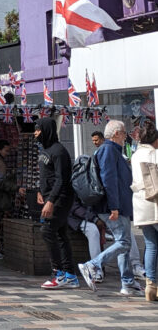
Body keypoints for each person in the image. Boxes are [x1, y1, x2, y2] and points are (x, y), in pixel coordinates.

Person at [78, 119, 142, 296]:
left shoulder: (113, 151)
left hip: (118, 206)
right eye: (123, 133)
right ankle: (93, 264)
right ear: (116, 134)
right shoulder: (108, 150)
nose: (125, 136)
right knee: (123, 242)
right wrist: (114, 206)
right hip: (112, 207)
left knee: (124, 243)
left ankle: (127, 282)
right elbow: (109, 180)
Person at [35, 119, 79, 289]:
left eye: (38, 130)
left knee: (47, 230)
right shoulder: (45, 150)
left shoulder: (59, 151)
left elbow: (62, 179)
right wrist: (41, 191)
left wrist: (51, 201)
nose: (35, 133)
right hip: (49, 197)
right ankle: (69, 274)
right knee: (60, 234)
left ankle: (58, 273)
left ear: (46, 130)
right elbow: (47, 175)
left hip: (61, 198)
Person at [129, 121, 158, 302]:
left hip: (141, 203)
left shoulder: (136, 154)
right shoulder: (154, 154)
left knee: (151, 245)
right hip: (155, 202)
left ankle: (150, 285)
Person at [67, 195, 106, 282]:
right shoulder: (75, 182)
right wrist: (94, 219)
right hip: (77, 217)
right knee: (93, 231)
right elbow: (75, 207)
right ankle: (95, 268)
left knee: (125, 231)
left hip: (99, 213)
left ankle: (135, 265)